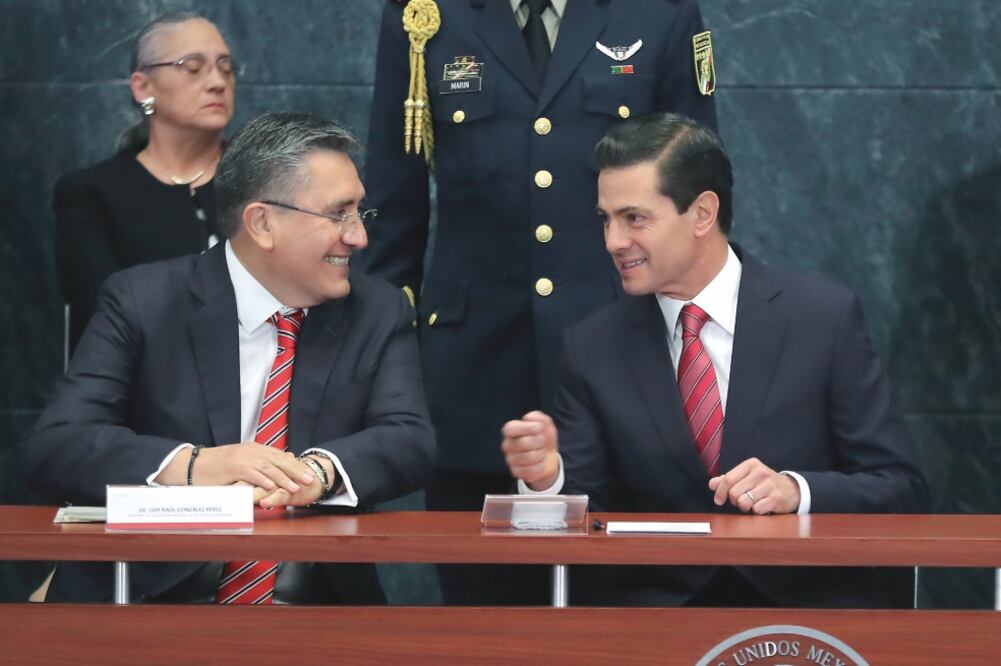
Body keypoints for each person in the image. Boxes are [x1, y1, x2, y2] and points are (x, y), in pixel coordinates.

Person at [360, 0, 718, 604]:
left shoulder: (660, 14)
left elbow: (698, 194)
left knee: (624, 608)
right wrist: (378, 364)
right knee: (485, 614)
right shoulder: (426, 16)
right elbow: (392, 208)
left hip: (624, 363)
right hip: (472, 379)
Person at [501, 112, 928, 607]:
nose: (613, 241)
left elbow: (902, 488)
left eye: (634, 218)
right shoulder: (592, 346)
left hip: (803, 624)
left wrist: (796, 492)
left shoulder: (822, 320)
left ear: (703, 213)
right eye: (606, 219)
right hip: (657, 628)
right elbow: (589, 512)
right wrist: (547, 477)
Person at [23, 112, 435, 604]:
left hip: (314, 605)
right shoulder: (144, 300)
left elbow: (409, 439)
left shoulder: (377, 310)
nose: (358, 237)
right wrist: (196, 467)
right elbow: (57, 445)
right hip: (152, 597)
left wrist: (317, 473)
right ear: (262, 223)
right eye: (338, 213)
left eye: (359, 212)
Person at [54, 12, 235, 351]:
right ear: (142, 87)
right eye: (193, 67)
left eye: (226, 67)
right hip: (140, 385)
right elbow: (104, 312)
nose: (217, 82)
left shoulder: (265, 184)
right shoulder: (91, 193)